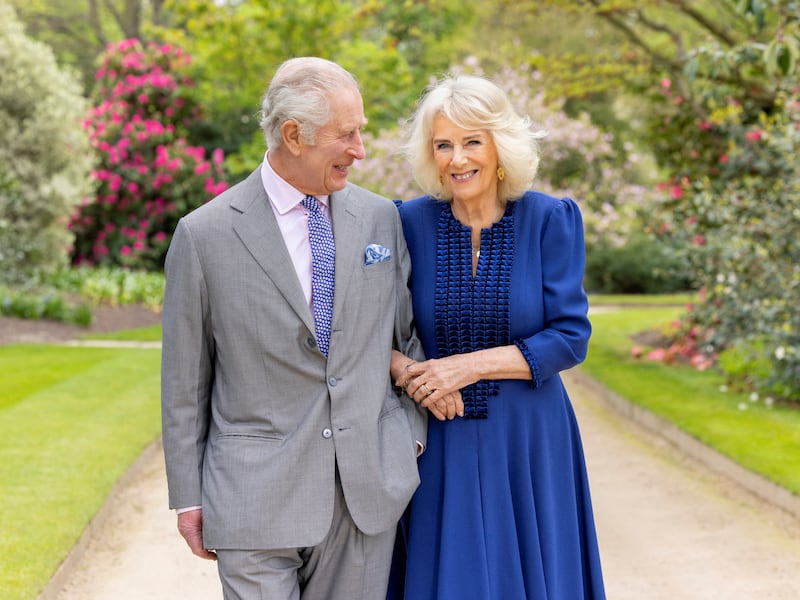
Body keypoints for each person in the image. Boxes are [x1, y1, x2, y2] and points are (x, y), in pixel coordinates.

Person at [161, 56, 454, 600]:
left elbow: (404, 338)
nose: (360, 150)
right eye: (347, 134)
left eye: (360, 131)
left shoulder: (379, 218)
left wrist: (404, 440)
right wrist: (188, 496)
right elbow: (184, 381)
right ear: (294, 135)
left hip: (364, 493)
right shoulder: (204, 236)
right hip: (253, 500)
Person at [387, 74, 606, 599]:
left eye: (471, 142)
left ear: (499, 147)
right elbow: (369, 329)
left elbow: (571, 336)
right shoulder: (403, 223)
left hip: (531, 440)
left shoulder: (551, 219)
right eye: (443, 145)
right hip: (440, 436)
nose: (457, 159)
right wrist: (409, 374)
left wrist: (470, 366)